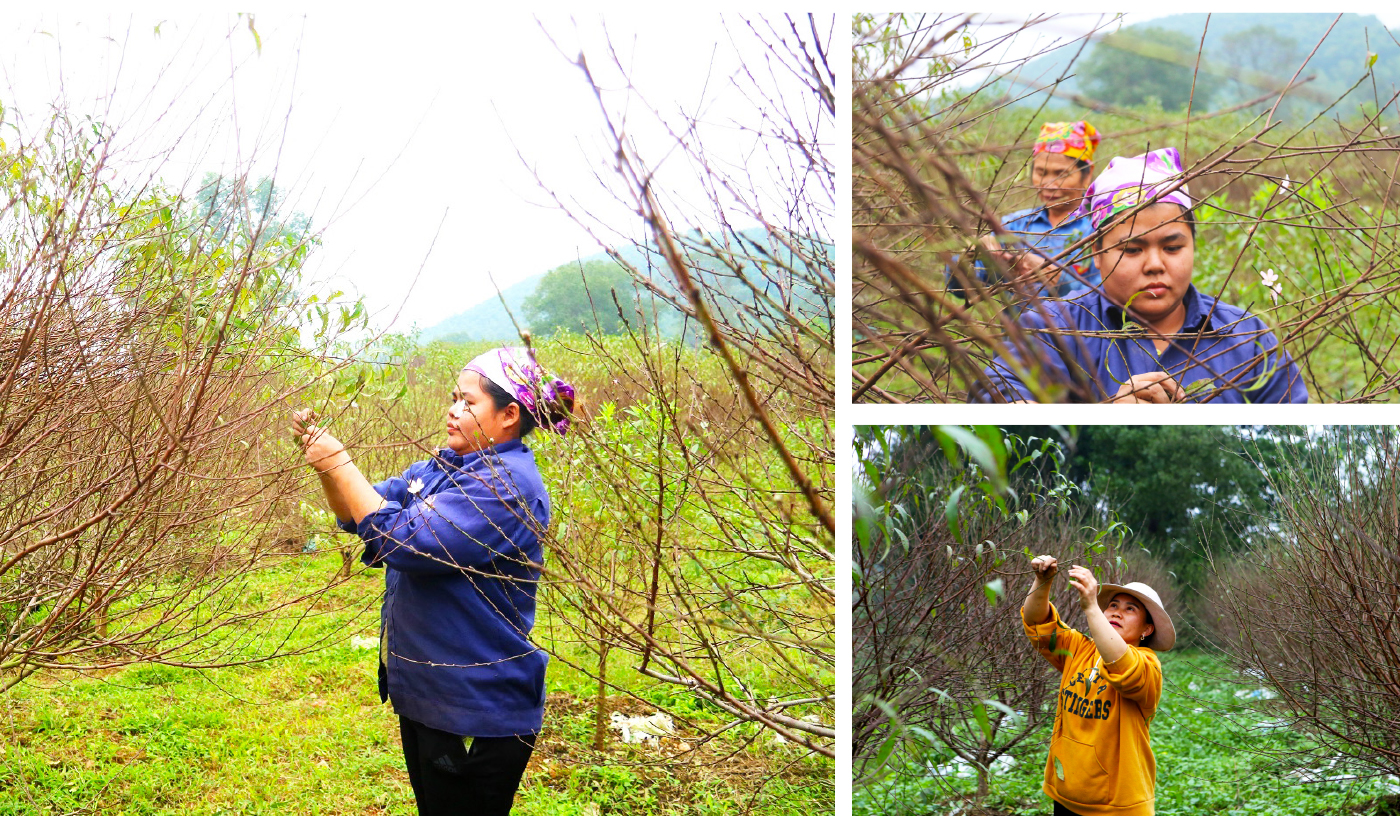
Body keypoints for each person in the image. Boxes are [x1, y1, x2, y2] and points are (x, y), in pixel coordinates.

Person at [291, 346, 574, 815]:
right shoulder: (444, 467)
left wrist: (340, 460)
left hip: (478, 704)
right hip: (431, 692)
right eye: (454, 398)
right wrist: (328, 470)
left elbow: (400, 541)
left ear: (508, 416)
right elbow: (357, 512)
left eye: (468, 402)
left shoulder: (508, 486)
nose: (453, 409)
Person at [977, 147, 1308, 403]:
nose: (1154, 265)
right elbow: (993, 401)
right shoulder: (1052, 328)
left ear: (1193, 245)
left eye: (1173, 248)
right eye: (1132, 250)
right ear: (1097, 253)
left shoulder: (1247, 339)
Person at [1022, 555, 1174, 816]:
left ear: (1147, 629)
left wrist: (1092, 607)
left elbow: (1121, 664)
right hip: (1067, 793)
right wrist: (1042, 581)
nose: (1116, 611)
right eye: (1112, 605)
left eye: (1130, 609)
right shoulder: (1079, 648)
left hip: (1118, 806)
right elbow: (1037, 623)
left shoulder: (1148, 666)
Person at [950, 120, 1103, 300]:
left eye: (1062, 174)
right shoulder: (1014, 225)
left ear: (1087, 175)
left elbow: (1107, 299)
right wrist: (967, 258)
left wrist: (1053, 276)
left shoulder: (1097, 228)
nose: (1049, 184)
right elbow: (961, 290)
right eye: (1041, 172)